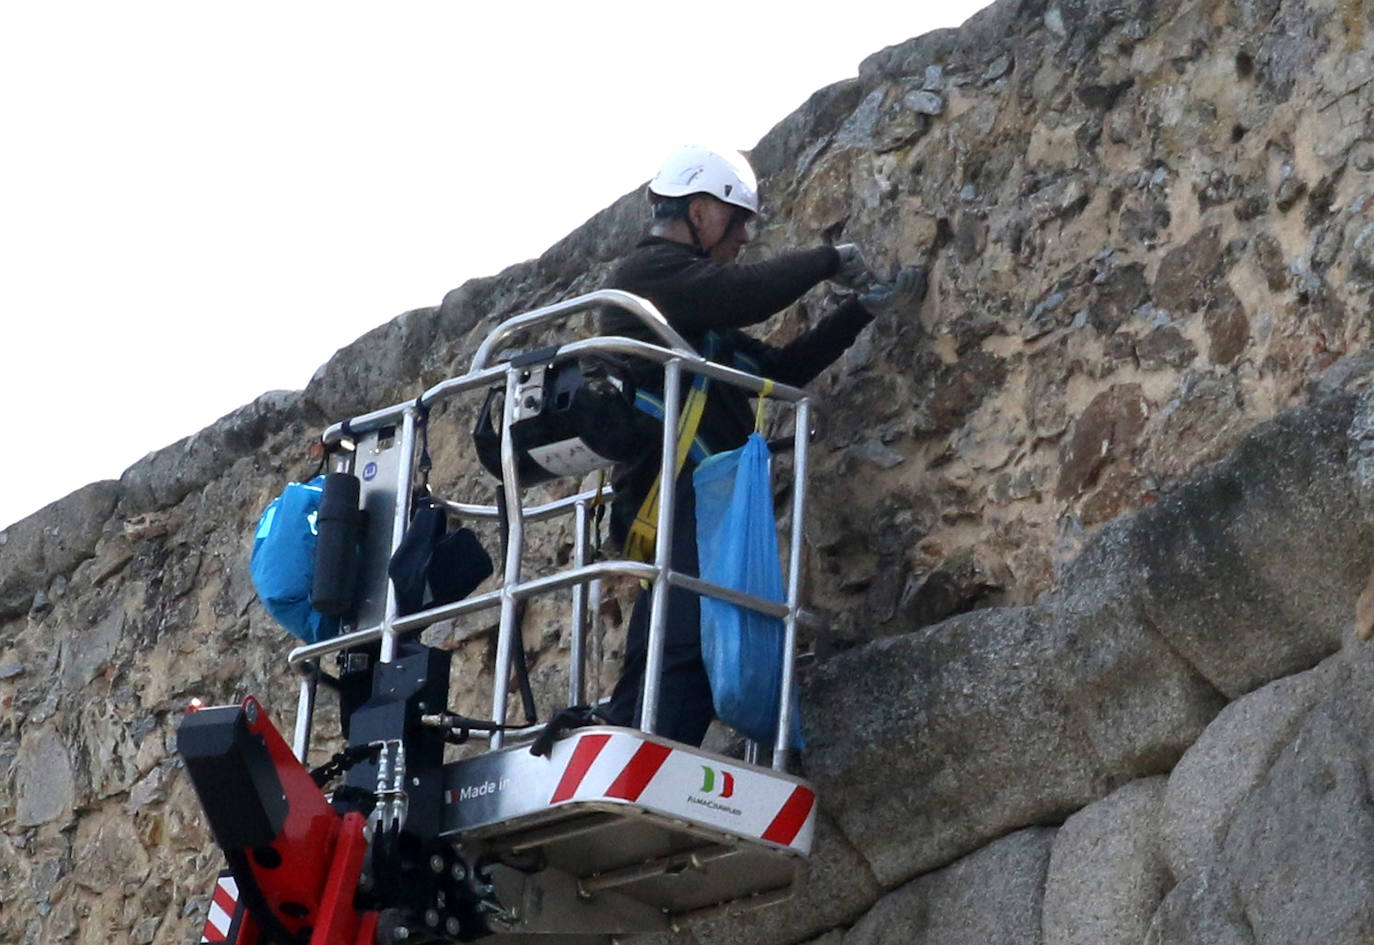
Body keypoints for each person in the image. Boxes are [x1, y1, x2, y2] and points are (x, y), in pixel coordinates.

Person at [601, 145, 926, 746]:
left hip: (704, 503)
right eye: (739, 219)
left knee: (694, 643)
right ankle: (638, 750)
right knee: (683, 643)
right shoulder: (645, 277)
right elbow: (743, 291)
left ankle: (646, 747)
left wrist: (859, 312)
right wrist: (829, 260)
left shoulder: (695, 321)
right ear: (700, 212)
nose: (745, 235)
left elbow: (779, 370)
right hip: (674, 500)